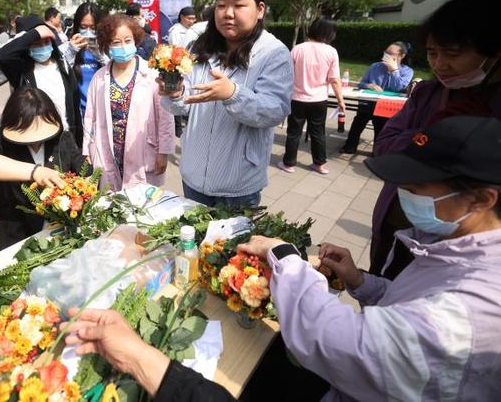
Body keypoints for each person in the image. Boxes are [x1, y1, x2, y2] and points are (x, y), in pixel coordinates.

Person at [66, 115, 501, 401]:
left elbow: (335, 342)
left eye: (417, 187)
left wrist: (284, 257)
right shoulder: (458, 250)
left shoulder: (481, 303)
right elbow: (409, 312)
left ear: (481, 198)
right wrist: (361, 283)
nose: (403, 196)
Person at [368, 0, 501, 279]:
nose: (440, 64)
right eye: (432, 52)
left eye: (453, 54)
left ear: (493, 53)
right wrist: (434, 133)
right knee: (380, 282)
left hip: (458, 249)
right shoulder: (429, 94)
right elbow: (385, 145)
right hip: (398, 222)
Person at [159, 0, 293, 207]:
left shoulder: (273, 53)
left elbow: (275, 110)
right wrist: (175, 92)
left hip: (237, 185)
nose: (228, 13)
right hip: (193, 174)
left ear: (260, 9)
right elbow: (182, 105)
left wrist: (233, 94)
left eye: (239, 5)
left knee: (233, 245)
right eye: (221, 5)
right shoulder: (199, 46)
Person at [0, 87, 88, 250]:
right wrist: (35, 171)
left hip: (59, 232)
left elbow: (83, 169)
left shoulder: (61, 138)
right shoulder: (0, 139)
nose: (35, 140)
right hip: (15, 233)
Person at [83, 14, 174, 192]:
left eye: (127, 40)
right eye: (116, 42)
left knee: (142, 206)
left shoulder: (152, 73)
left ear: (136, 40)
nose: (123, 47)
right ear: (106, 45)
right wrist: (87, 150)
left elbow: (165, 115)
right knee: (113, 207)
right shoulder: (100, 78)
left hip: (143, 149)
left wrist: (163, 152)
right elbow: (90, 117)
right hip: (109, 149)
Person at [0, 14, 83, 146]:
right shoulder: (22, 71)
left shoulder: (62, 65)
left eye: (46, 42)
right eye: (36, 44)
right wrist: (36, 32)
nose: (42, 47)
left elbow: (74, 106)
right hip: (37, 140)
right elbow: (2, 56)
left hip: (66, 138)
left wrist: (79, 142)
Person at [278, 18, 346, 175]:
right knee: (318, 132)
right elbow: (334, 79)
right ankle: (319, 164)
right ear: (330, 34)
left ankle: (288, 163)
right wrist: (340, 100)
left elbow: (286, 74)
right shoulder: (331, 51)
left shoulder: (297, 49)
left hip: (297, 99)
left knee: (294, 132)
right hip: (319, 100)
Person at [339, 41, 414, 154]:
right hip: (369, 102)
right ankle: (350, 146)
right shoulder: (375, 66)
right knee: (359, 120)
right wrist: (369, 85)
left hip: (387, 105)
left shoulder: (407, 71)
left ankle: (378, 150)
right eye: (386, 52)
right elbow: (362, 83)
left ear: (401, 56)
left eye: (391, 53)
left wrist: (394, 70)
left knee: (381, 125)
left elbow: (398, 87)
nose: (386, 56)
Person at [58, 2, 108, 114]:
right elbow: (61, 77)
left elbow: (115, 74)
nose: (88, 32)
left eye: (93, 27)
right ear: (77, 26)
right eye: (83, 27)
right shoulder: (66, 48)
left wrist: (101, 56)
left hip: (102, 112)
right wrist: (71, 52)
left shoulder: (107, 48)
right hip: (78, 113)